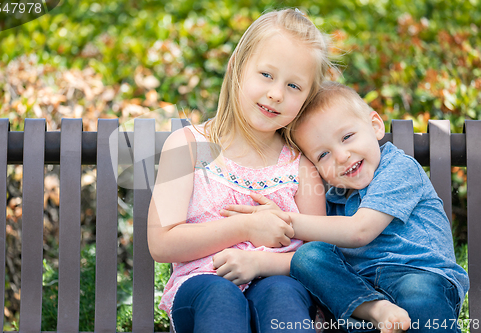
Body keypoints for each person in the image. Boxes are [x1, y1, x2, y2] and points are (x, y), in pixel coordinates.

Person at [221, 81, 469, 333]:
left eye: (347, 137)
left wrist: (284, 221)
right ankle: (374, 310)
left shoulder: (399, 168)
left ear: (374, 126)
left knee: (418, 295)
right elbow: (311, 260)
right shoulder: (333, 202)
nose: (341, 156)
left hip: (419, 275)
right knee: (309, 256)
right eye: (323, 155)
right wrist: (257, 261)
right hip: (359, 293)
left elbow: (359, 231)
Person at [147, 8, 335, 333]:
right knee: (220, 295)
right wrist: (247, 228)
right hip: (204, 286)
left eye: (294, 86)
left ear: (306, 99)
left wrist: (261, 263)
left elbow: (317, 257)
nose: (276, 93)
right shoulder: (188, 146)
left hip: (278, 281)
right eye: (266, 74)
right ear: (236, 68)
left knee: (282, 294)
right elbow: (162, 243)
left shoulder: (300, 168)